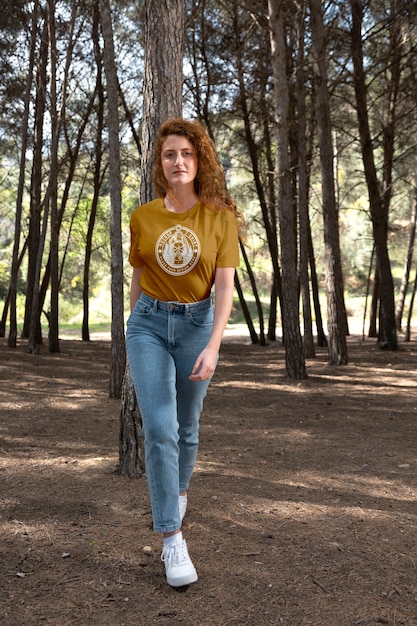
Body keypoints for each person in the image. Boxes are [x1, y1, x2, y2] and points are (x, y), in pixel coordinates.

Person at [125, 117, 242, 588]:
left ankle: (178, 494)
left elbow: (226, 288)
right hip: (149, 325)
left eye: (187, 155)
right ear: (160, 163)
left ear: (200, 162)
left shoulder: (220, 218)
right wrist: (133, 327)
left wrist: (214, 346)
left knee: (187, 427)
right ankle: (172, 537)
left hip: (196, 326)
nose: (178, 162)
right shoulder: (143, 217)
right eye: (170, 154)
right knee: (159, 427)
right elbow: (137, 277)